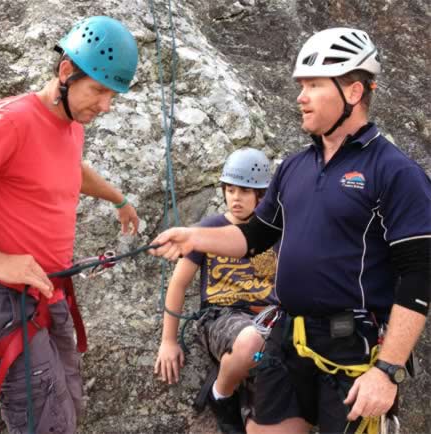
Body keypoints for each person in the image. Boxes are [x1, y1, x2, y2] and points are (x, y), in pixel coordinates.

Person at [150, 27, 430, 434]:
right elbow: (254, 237)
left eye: (313, 85)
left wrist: (388, 370)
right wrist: (194, 237)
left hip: (354, 346)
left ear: (353, 92)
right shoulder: (295, 167)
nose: (300, 97)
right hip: (289, 335)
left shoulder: (395, 172)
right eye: (301, 86)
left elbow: (419, 275)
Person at [0, 16, 139, 434]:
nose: (106, 105)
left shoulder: (69, 125)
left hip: (44, 292)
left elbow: (71, 166)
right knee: (46, 425)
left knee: (68, 407)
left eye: (113, 95)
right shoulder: (10, 121)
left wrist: (118, 199)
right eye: (100, 91)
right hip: (3, 299)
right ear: (67, 72)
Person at [154, 148, 278, 434]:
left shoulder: (273, 231)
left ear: (261, 195)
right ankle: (220, 395)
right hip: (221, 315)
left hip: (268, 315)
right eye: (231, 190)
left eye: (245, 192)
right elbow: (179, 283)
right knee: (252, 340)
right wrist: (168, 341)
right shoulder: (211, 228)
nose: (235, 198)